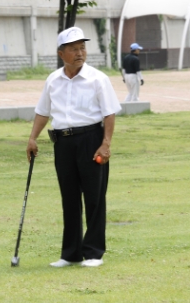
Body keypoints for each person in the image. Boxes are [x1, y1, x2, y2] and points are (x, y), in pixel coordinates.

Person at [26, 27, 121, 268]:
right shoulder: (53, 80)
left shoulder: (97, 78)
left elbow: (109, 114)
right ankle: (70, 253)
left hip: (91, 139)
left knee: (94, 197)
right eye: (73, 49)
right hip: (63, 142)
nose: (80, 53)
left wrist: (105, 144)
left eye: (82, 48)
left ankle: (93, 252)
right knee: (69, 197)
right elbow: (43, 112)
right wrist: (32, 138)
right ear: (61, 54)